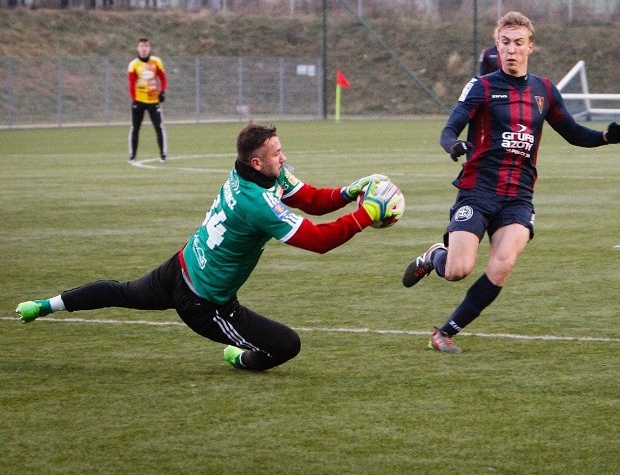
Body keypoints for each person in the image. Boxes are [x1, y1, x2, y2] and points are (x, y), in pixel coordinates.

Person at [14, 123, 398, 372]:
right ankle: (240, 357)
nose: (283, 157)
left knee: (121, 291)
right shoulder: (255, 202)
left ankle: (45, 305)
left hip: (181, 265)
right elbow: (318, 241)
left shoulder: (257, 174)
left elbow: (311, 198)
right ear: (256, 161)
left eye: (281, 150)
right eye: (276, 153)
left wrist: (350, 192)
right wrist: (366, 214)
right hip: (204, 302)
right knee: (286, 345)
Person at [401, 11, 620, 354]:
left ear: (531, 47)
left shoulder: (544, 90)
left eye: (518, 43)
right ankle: (435, 257)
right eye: (505, 43)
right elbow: (449, 129)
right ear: (496, 46)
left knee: (503, 264)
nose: (511, 50)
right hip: (478, 191)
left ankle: (445, 332)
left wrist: (607, 136)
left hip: (518, 197)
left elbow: (573, 134)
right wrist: (453, 144)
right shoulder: (482, 87)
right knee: (458, 270)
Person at [127, 38, 168, 162]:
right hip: (139, 101)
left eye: (146, 46)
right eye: (141, 46)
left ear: (149, 48)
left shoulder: (156, 62)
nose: (144, 49)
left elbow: (163, 78)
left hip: (153, 101)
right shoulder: (133, 64)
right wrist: (134, 100)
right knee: (135, 128)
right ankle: (133, 155)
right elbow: (131, 83)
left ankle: (163, 155)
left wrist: (162, 91)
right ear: (137, 48)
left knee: (159, 127)